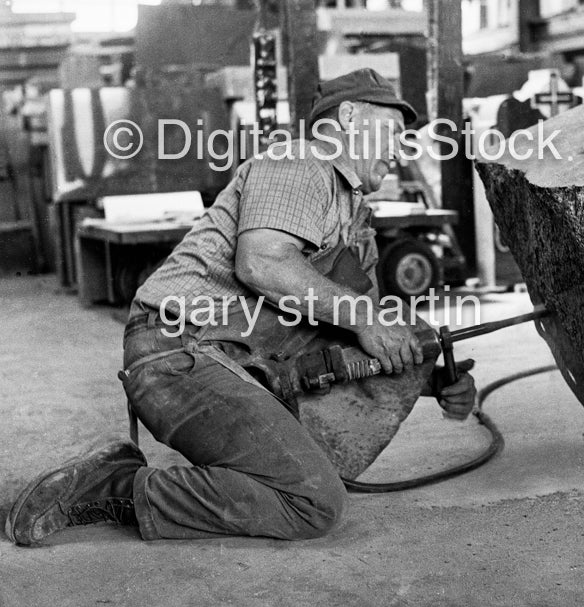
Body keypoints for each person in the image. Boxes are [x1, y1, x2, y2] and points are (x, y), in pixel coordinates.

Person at [6, 68, 475, 546]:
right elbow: (263, 262)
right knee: (313, 501)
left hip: (231, 361)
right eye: (393, 132)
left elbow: (350, 341)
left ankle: (125, 474)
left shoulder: (354, 220)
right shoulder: (300, 162)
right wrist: (366, 318)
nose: (400, 149)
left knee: (309, 485)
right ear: (350, 118)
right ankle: (117, 487)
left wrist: (428, 376)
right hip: (178, 351)